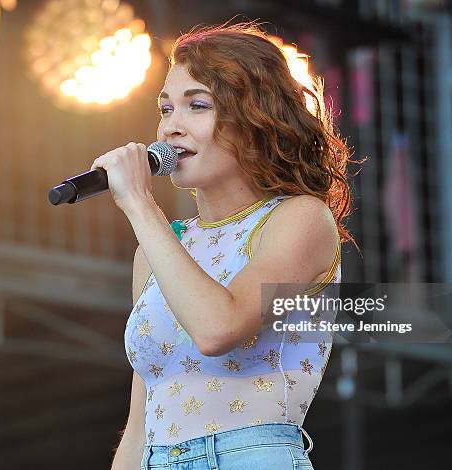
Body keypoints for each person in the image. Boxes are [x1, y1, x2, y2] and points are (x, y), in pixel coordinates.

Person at [93, 21, 355, 470]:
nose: (172, 127)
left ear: (254, 120)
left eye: (197, 106)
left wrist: (139, 203)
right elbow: (141, 420)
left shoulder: (299, 219)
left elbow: (218, 328)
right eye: (166, 109)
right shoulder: (160, 248)